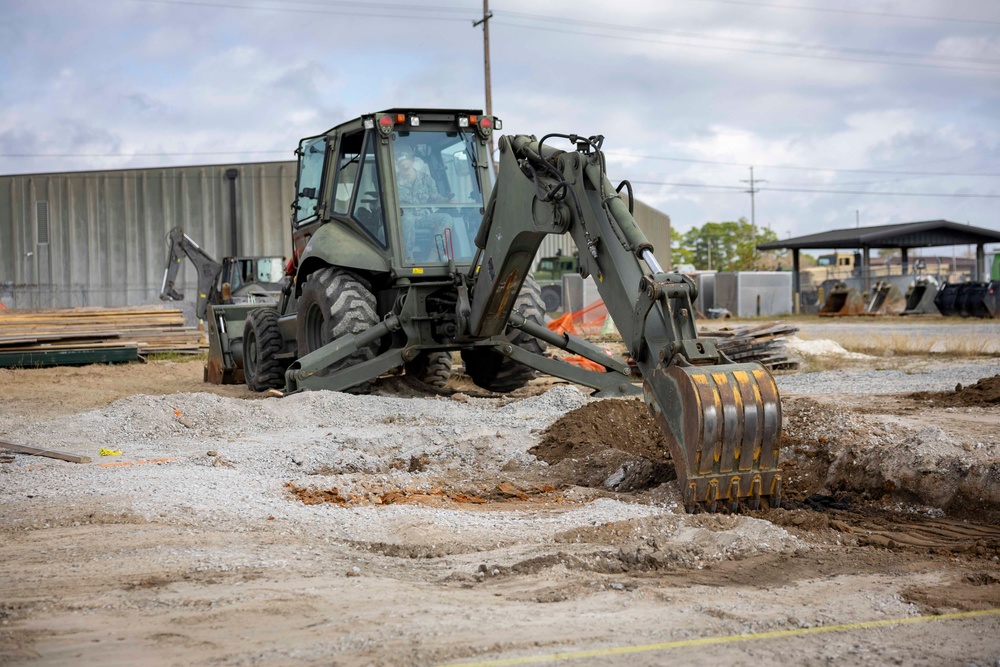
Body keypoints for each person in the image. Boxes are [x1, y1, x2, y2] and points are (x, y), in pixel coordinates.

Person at [395, 145, 452, 262]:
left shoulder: (426, 179)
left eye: (407, 165)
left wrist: (447, 201)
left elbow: (435, 198)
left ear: (412, 161)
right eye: (402, 167)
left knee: (446, 218)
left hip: (423, 217)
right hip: (403, 219)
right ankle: (407, 258)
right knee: (408, 219)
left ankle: (435, 255)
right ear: (397, 165)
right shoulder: (393, 182)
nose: (405, 168)